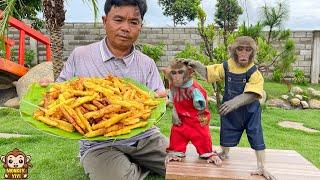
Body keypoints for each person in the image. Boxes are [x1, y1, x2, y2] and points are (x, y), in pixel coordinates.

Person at [56, 0, 168, 179]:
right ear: (104, 20)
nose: (126, 28)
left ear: (140, 26)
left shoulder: (147, 63)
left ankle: (137, 161)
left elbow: (159, 98)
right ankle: (134, 167)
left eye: (133, 22)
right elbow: (59, 94)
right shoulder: (81, 55)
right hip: (97, 143)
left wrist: (161, 99)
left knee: (183, 166)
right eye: (118, 20)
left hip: (145, 137)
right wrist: (48, 89)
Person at [182, 36, 275, 180]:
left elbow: (253, 94)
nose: (244, 54)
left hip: (250, 111)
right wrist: (195, 65)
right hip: (230, 110)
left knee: (256, 135)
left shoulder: (254, 72)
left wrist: (233, 103)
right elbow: (208, 73)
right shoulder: (227, 66)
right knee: (227, 130)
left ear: (253, 52)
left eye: (248, 50)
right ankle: (224, 153)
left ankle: (262, 167)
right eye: (240, 49)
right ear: (232, 50)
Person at [163, 60, 222, 166]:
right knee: (177, 134)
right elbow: (174, 100)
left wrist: (198, 101)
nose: (176, 77)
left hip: (197, 119)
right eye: (174, 73)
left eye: (180, 72)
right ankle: (175, 153)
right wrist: (174, 112)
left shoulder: (194, 89)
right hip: (181, 118)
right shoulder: (173, 86)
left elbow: (201, 106)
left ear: (190, 73)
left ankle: (208, 153)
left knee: (202, 136)